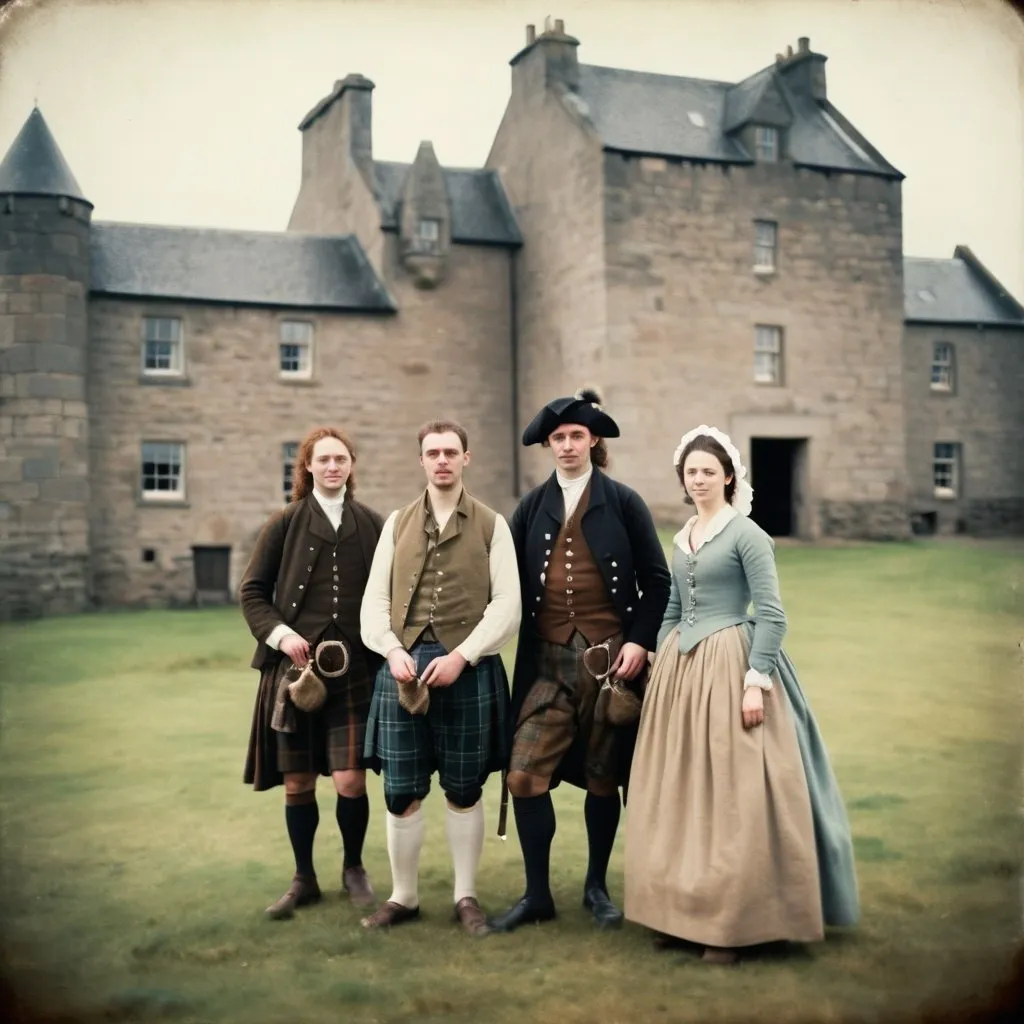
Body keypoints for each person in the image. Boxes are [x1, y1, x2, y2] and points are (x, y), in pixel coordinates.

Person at [623, 425, 860, 964]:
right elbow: (671, 607)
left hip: (733, 662)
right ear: (683, 481)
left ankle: (735, 925)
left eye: (709, 471)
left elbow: (772, 615)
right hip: (682, 672)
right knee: (682, 791)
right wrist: (661, 656)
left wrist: (756, 681)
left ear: (728, 476)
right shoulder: (682, 536)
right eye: (691, 473)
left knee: (735, 795)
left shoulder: (747, 534)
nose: (700, 480)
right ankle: (679, 915)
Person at [490, 388, 671, 933]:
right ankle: (537, 893)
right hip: (545, 663)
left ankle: (597, 886)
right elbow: (504, 586)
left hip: (612, 663)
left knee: (602, 777)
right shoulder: (529, 507)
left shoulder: (624, 502)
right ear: (548, 445)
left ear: (593, 441)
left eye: (576, 436)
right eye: (558, 438)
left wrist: (640, 641)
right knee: (523, 775)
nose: (567, 446)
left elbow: (658, 581)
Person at [359, 419, 521, 936]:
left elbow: (508, 606)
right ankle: (402, 897)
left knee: (464, 788)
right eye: (433, 453)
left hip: (467, 670)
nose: (442, 460)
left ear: (466, 459)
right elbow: (375, 602)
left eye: (451, 451)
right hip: (403, 669)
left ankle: (465, 896)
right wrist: (389, 649)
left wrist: (464, 655)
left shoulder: (494, 524)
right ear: (422, 461)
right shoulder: (396, 524)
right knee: (400, 791)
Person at [241, 427, 385, 920]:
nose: (331, 467)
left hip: (355, 671)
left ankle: (354, 868)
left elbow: (390, 594)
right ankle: (304, 877)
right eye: (322, 459)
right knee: (298, 781)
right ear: (307, 467)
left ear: (350, 465)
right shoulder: (284, 523)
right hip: (294, 673)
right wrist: (281, 635)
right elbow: (252, 592)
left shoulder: (372, 524)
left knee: (350, 780)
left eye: (340, 459)